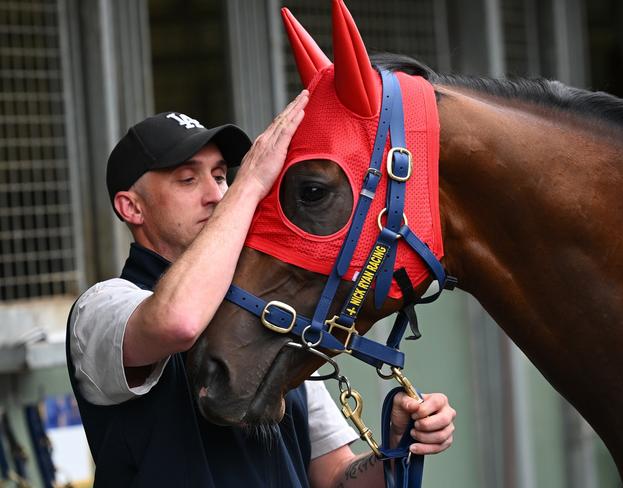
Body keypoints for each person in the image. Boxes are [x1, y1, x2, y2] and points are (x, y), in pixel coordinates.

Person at [66, 91, 456, 487]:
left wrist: (397, 446)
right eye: (187, 179)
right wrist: (249, 184)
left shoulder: (271, 310)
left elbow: (336, 478)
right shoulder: (102, 308)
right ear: (131, 208)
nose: (217, 195)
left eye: (221, 176)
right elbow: (179, 321)